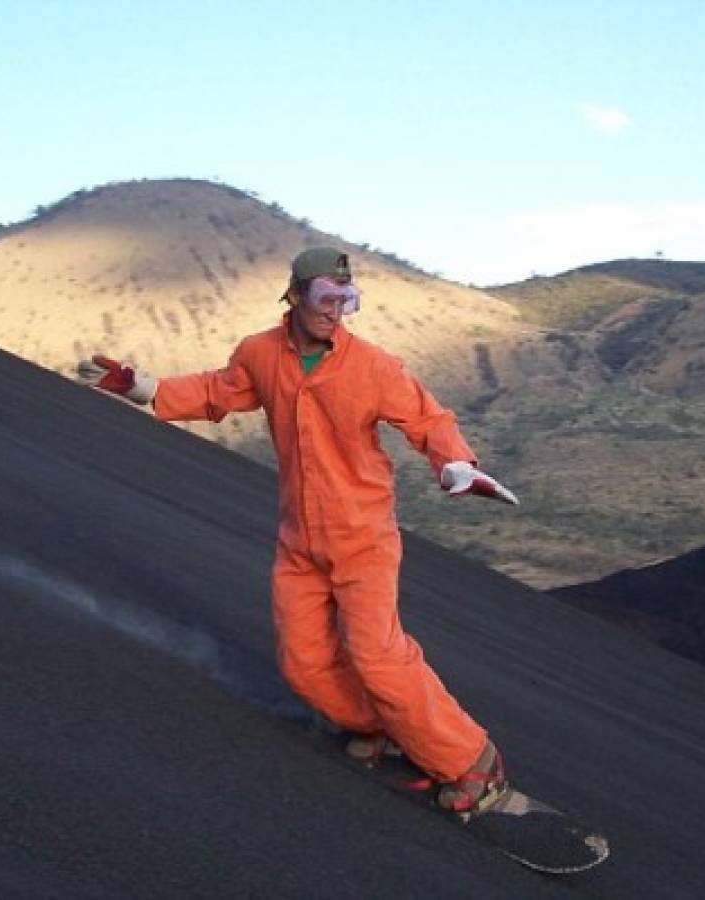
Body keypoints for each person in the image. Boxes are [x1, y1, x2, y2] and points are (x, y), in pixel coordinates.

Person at [77, 246, 519, 813]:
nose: (337, 312)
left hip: (362, 537)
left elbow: (428, 420)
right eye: (327, 299)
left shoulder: (374, 367)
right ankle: (375, 725)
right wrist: (139, 386)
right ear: (295, 296)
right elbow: (218, 392)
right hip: (299, 541)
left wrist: (455, 465)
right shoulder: (262, 354)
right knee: (303, 663)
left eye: (347, 300)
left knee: (379, 656)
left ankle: (472, 764)